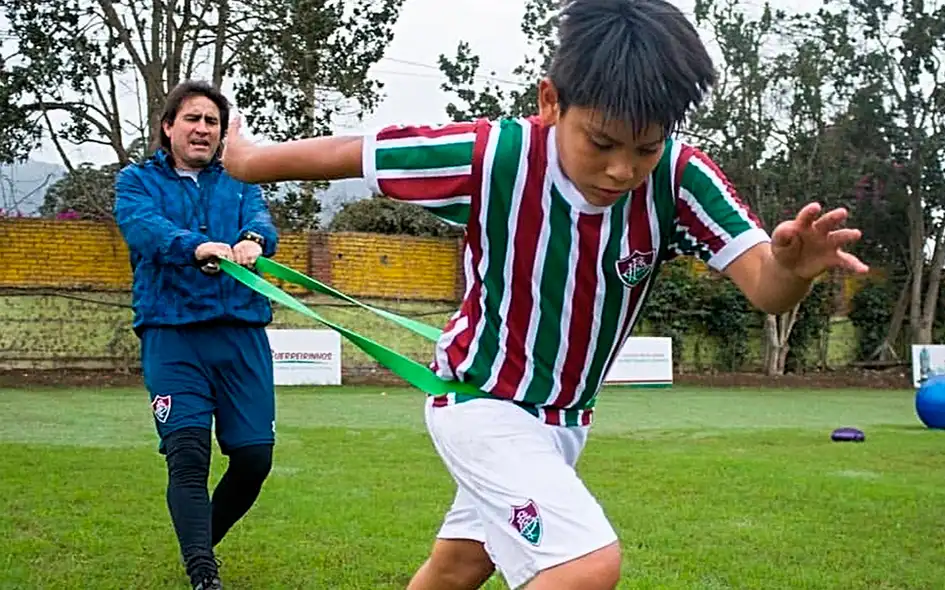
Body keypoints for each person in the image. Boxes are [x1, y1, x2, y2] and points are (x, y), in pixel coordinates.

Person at [220, 0, 869, 587]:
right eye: (603, 143)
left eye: (645, 147)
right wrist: (247, 161)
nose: (622, 169)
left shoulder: (678, 181)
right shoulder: (494, 157)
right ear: (552, 102)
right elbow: (357, 155)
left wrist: (796, 268)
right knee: (586, 565)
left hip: (565, 423)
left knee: (456, 569)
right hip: (480, 404)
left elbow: (766, 287)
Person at [114, 80, 280, 590]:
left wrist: (253, 241)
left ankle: (199, 541)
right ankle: (203, 573)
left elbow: (260, 220)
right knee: (188, 453)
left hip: (240, 332)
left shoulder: (240, 178)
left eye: (212, 121)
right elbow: (143, 228)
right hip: (173, 333)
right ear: (168, 127)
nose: (202, 129)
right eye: (192, 119)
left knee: (254, 458)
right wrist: (198, 247)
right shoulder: (135, 181)